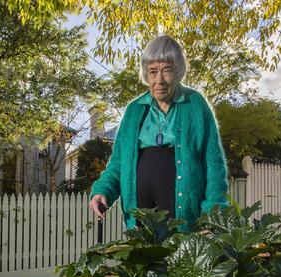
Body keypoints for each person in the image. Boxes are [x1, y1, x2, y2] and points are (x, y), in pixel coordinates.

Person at [87, 35, 229, 233]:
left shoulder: (195, 104)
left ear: (178, 71)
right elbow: (118, 162)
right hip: (140, 216)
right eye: (153, 72)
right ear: (146, 74)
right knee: (144, 262)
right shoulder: (134, 110)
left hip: (184, 216)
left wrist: (213, 214)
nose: (159, 79)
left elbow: (214, 164)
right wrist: (103, 191)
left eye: (166, 70)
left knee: (178, 262)